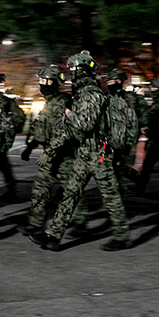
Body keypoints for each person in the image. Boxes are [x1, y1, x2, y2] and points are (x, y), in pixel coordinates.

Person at [28, 51, 133, 252]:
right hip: (85, 151)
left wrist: (68, 112)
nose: (71, 74)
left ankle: (122, 236)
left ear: (82, 71)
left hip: (100, 152)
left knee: (110, 196)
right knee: (70, 193)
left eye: (73, 70)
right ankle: (53, 236)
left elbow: (84, 123)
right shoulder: (82, 94)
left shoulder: (93, 94)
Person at [19, 64, 89, 236]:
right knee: (40, 189)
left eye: (47, 81)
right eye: (41, 80)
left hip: (65, 155)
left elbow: (64, 131)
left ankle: (80, 222)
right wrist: (30, 145)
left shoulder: (61, 104)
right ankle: (35, 223)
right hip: (50, 154)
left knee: (71, 190)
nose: (42, 84)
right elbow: (44, 129)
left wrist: (49, 152)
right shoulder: (49, 104)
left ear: (56, 83)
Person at [0, 69, 26, 200]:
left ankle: (10, 190)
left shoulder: (4, 101)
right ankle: (9, 189)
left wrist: (9, 133)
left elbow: (19, 117)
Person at [104, 68, 148, 192]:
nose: (109, 84)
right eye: (108, 82)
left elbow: (139, 116)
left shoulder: (130, 99)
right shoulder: (108, 99)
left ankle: (117, 194)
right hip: (110, 136)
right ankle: (136, 180)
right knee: (117, 165)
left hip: (124, 137)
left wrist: (140, 129)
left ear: (119, 82)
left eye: (112, 81)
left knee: (115, 164)